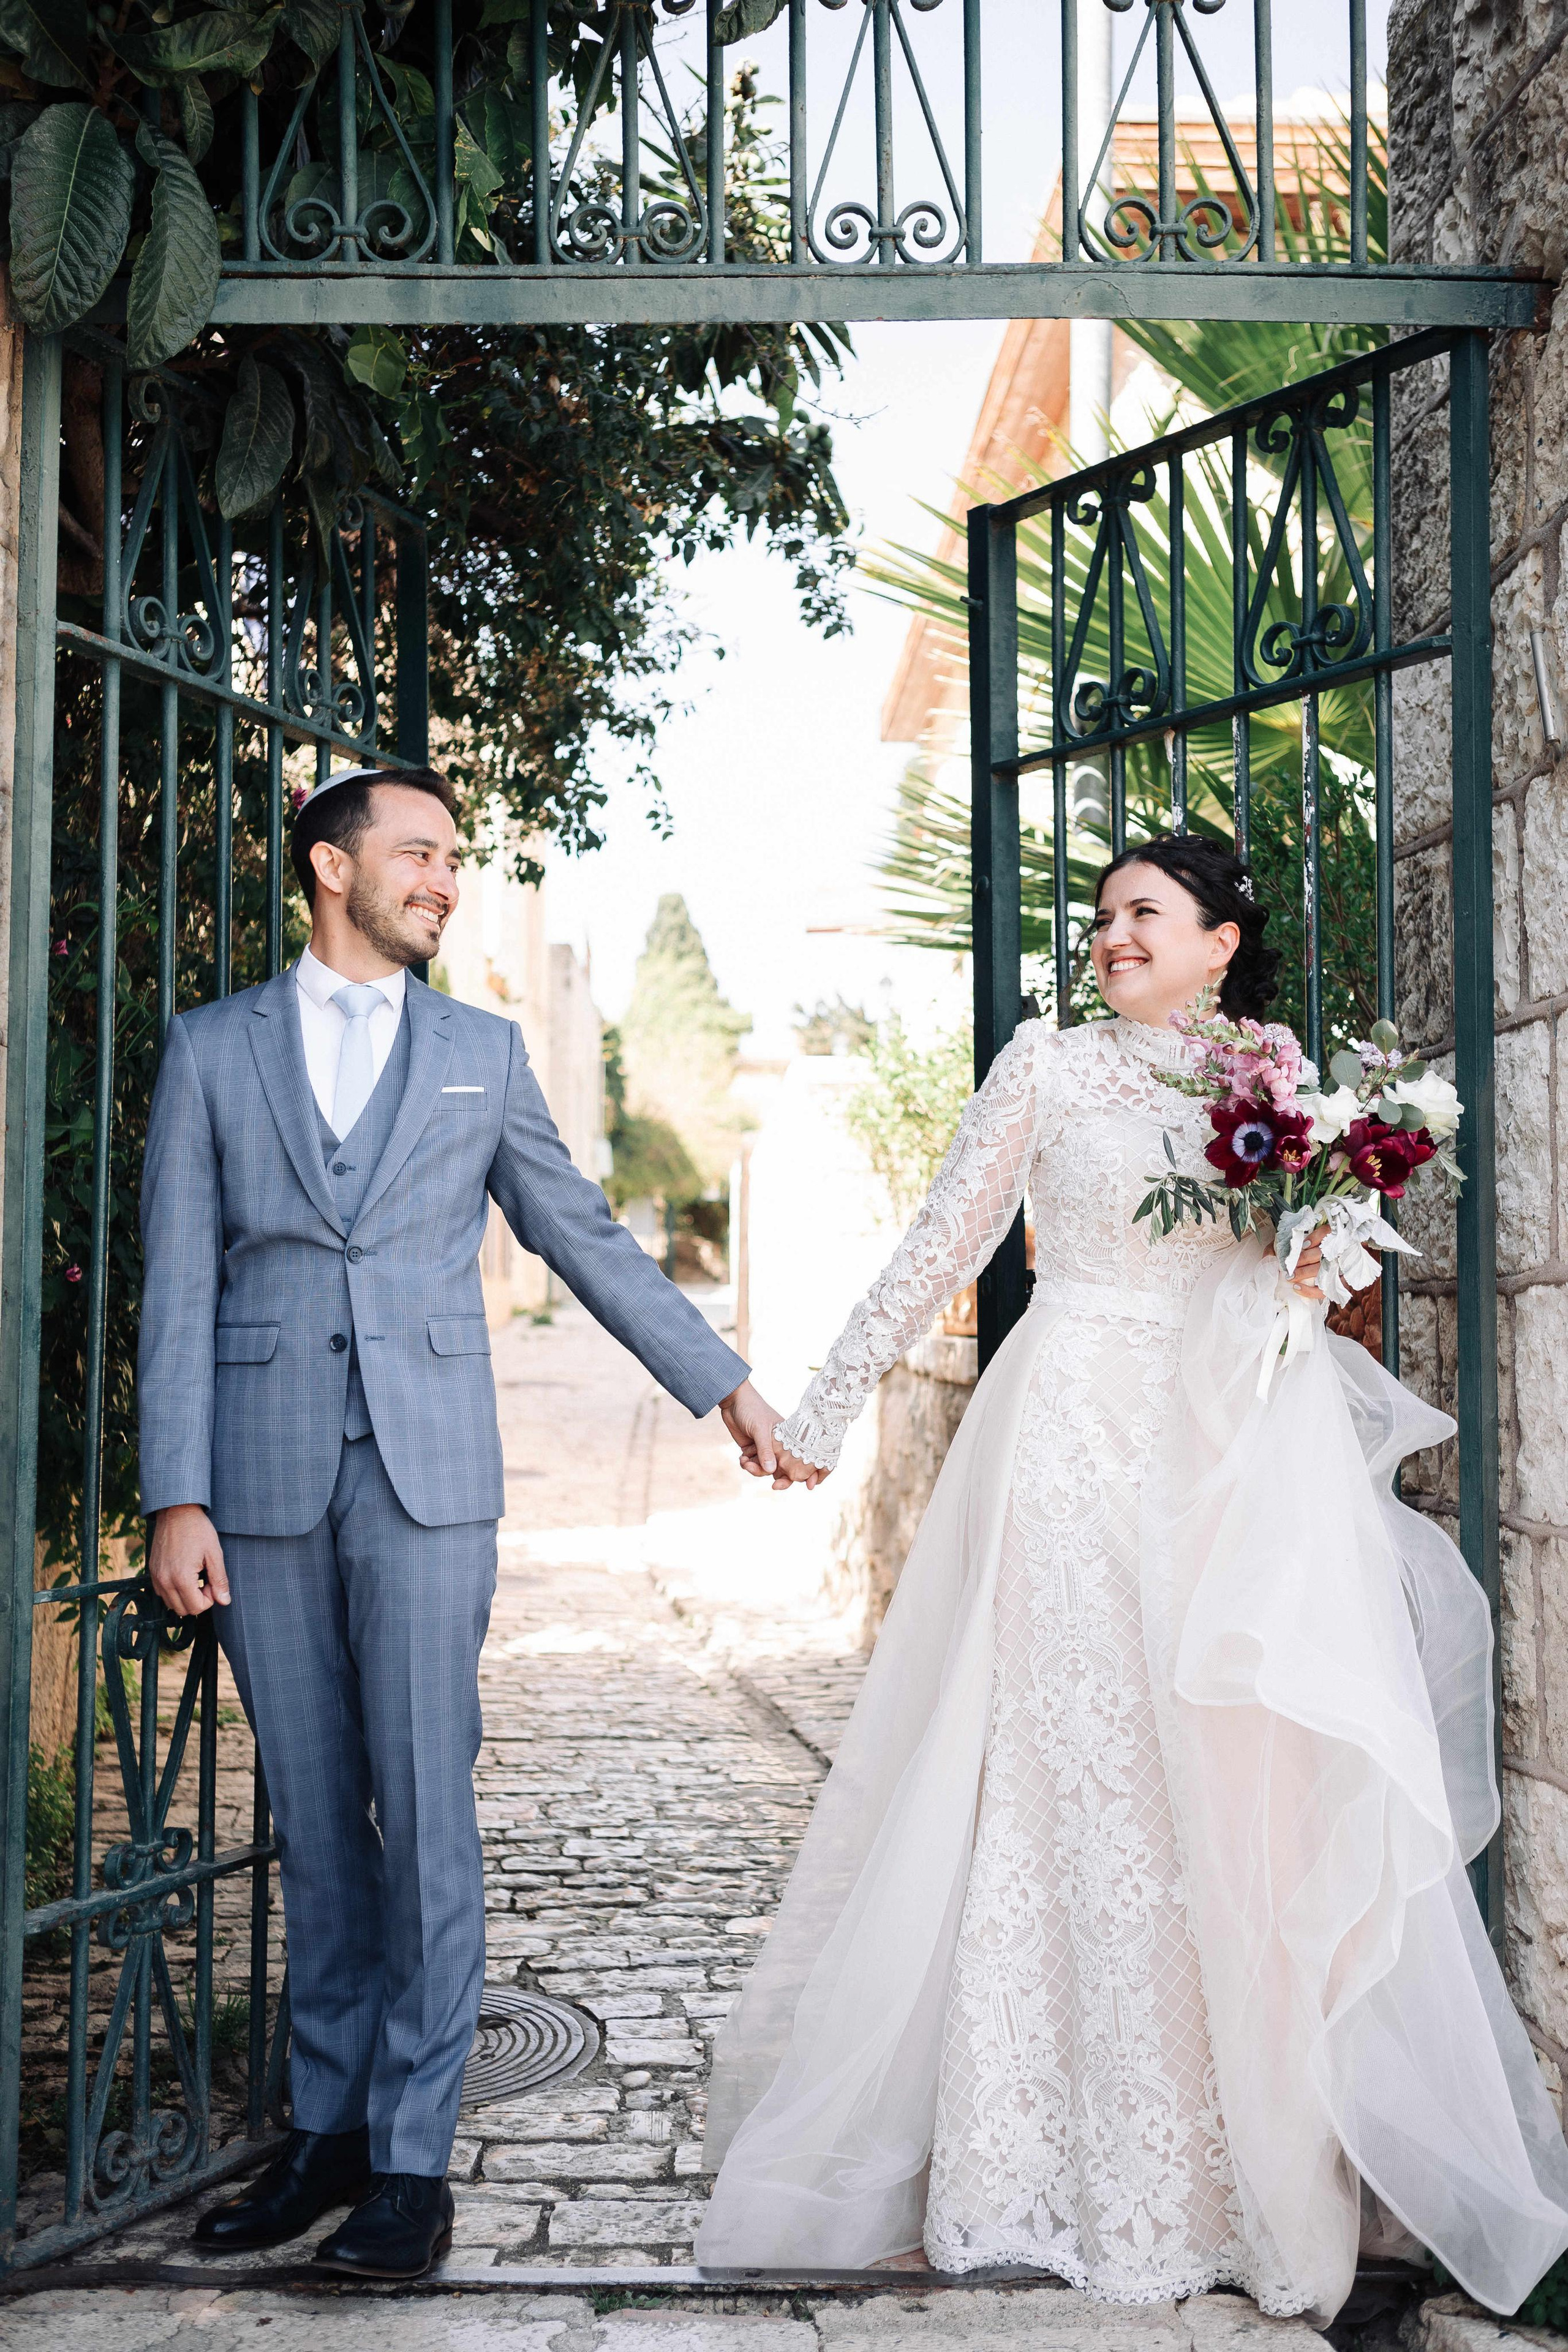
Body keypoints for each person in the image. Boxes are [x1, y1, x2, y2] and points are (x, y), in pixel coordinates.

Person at [701, 834, 1568, 2321]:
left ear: (1219, 942)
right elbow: (940, 1248)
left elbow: (1314, 1269)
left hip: (1231, 1449)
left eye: (1141, 914)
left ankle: (1244, 2180)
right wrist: (829, 1407)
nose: (1110, 936)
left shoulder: (1279, 1075)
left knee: (1230, 1792)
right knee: (1069, 1779)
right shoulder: (1044, 1064)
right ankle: (1030, 2157)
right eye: (1101, 916)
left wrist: (1316, 1248)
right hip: (1073, 1443)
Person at [138, 763, 785, 2280]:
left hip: (431, 1478)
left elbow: (579, 1233)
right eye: (417, 853)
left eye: (454, 859)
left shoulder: (479, 1054)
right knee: (309, 1818)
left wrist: (723, 1386)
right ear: (326, 868)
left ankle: (412, 2168)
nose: (442, 879)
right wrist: (177, 1491)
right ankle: (326, 2133)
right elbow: (177, 1280)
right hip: (262, 1471)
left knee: (425, 1811)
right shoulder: (213, 1048)